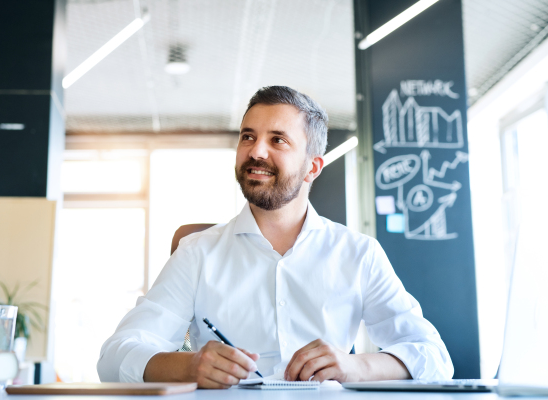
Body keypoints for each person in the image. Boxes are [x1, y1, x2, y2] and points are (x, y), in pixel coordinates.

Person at [97, 86, 454, 388]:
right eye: (248, 136)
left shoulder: (357, 253)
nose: (256, 151)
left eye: (277, 140)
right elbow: (114, 358)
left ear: (312, 167)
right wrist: (190, 366)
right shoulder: (197, 253)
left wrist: (356, 367)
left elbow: (435, 357)